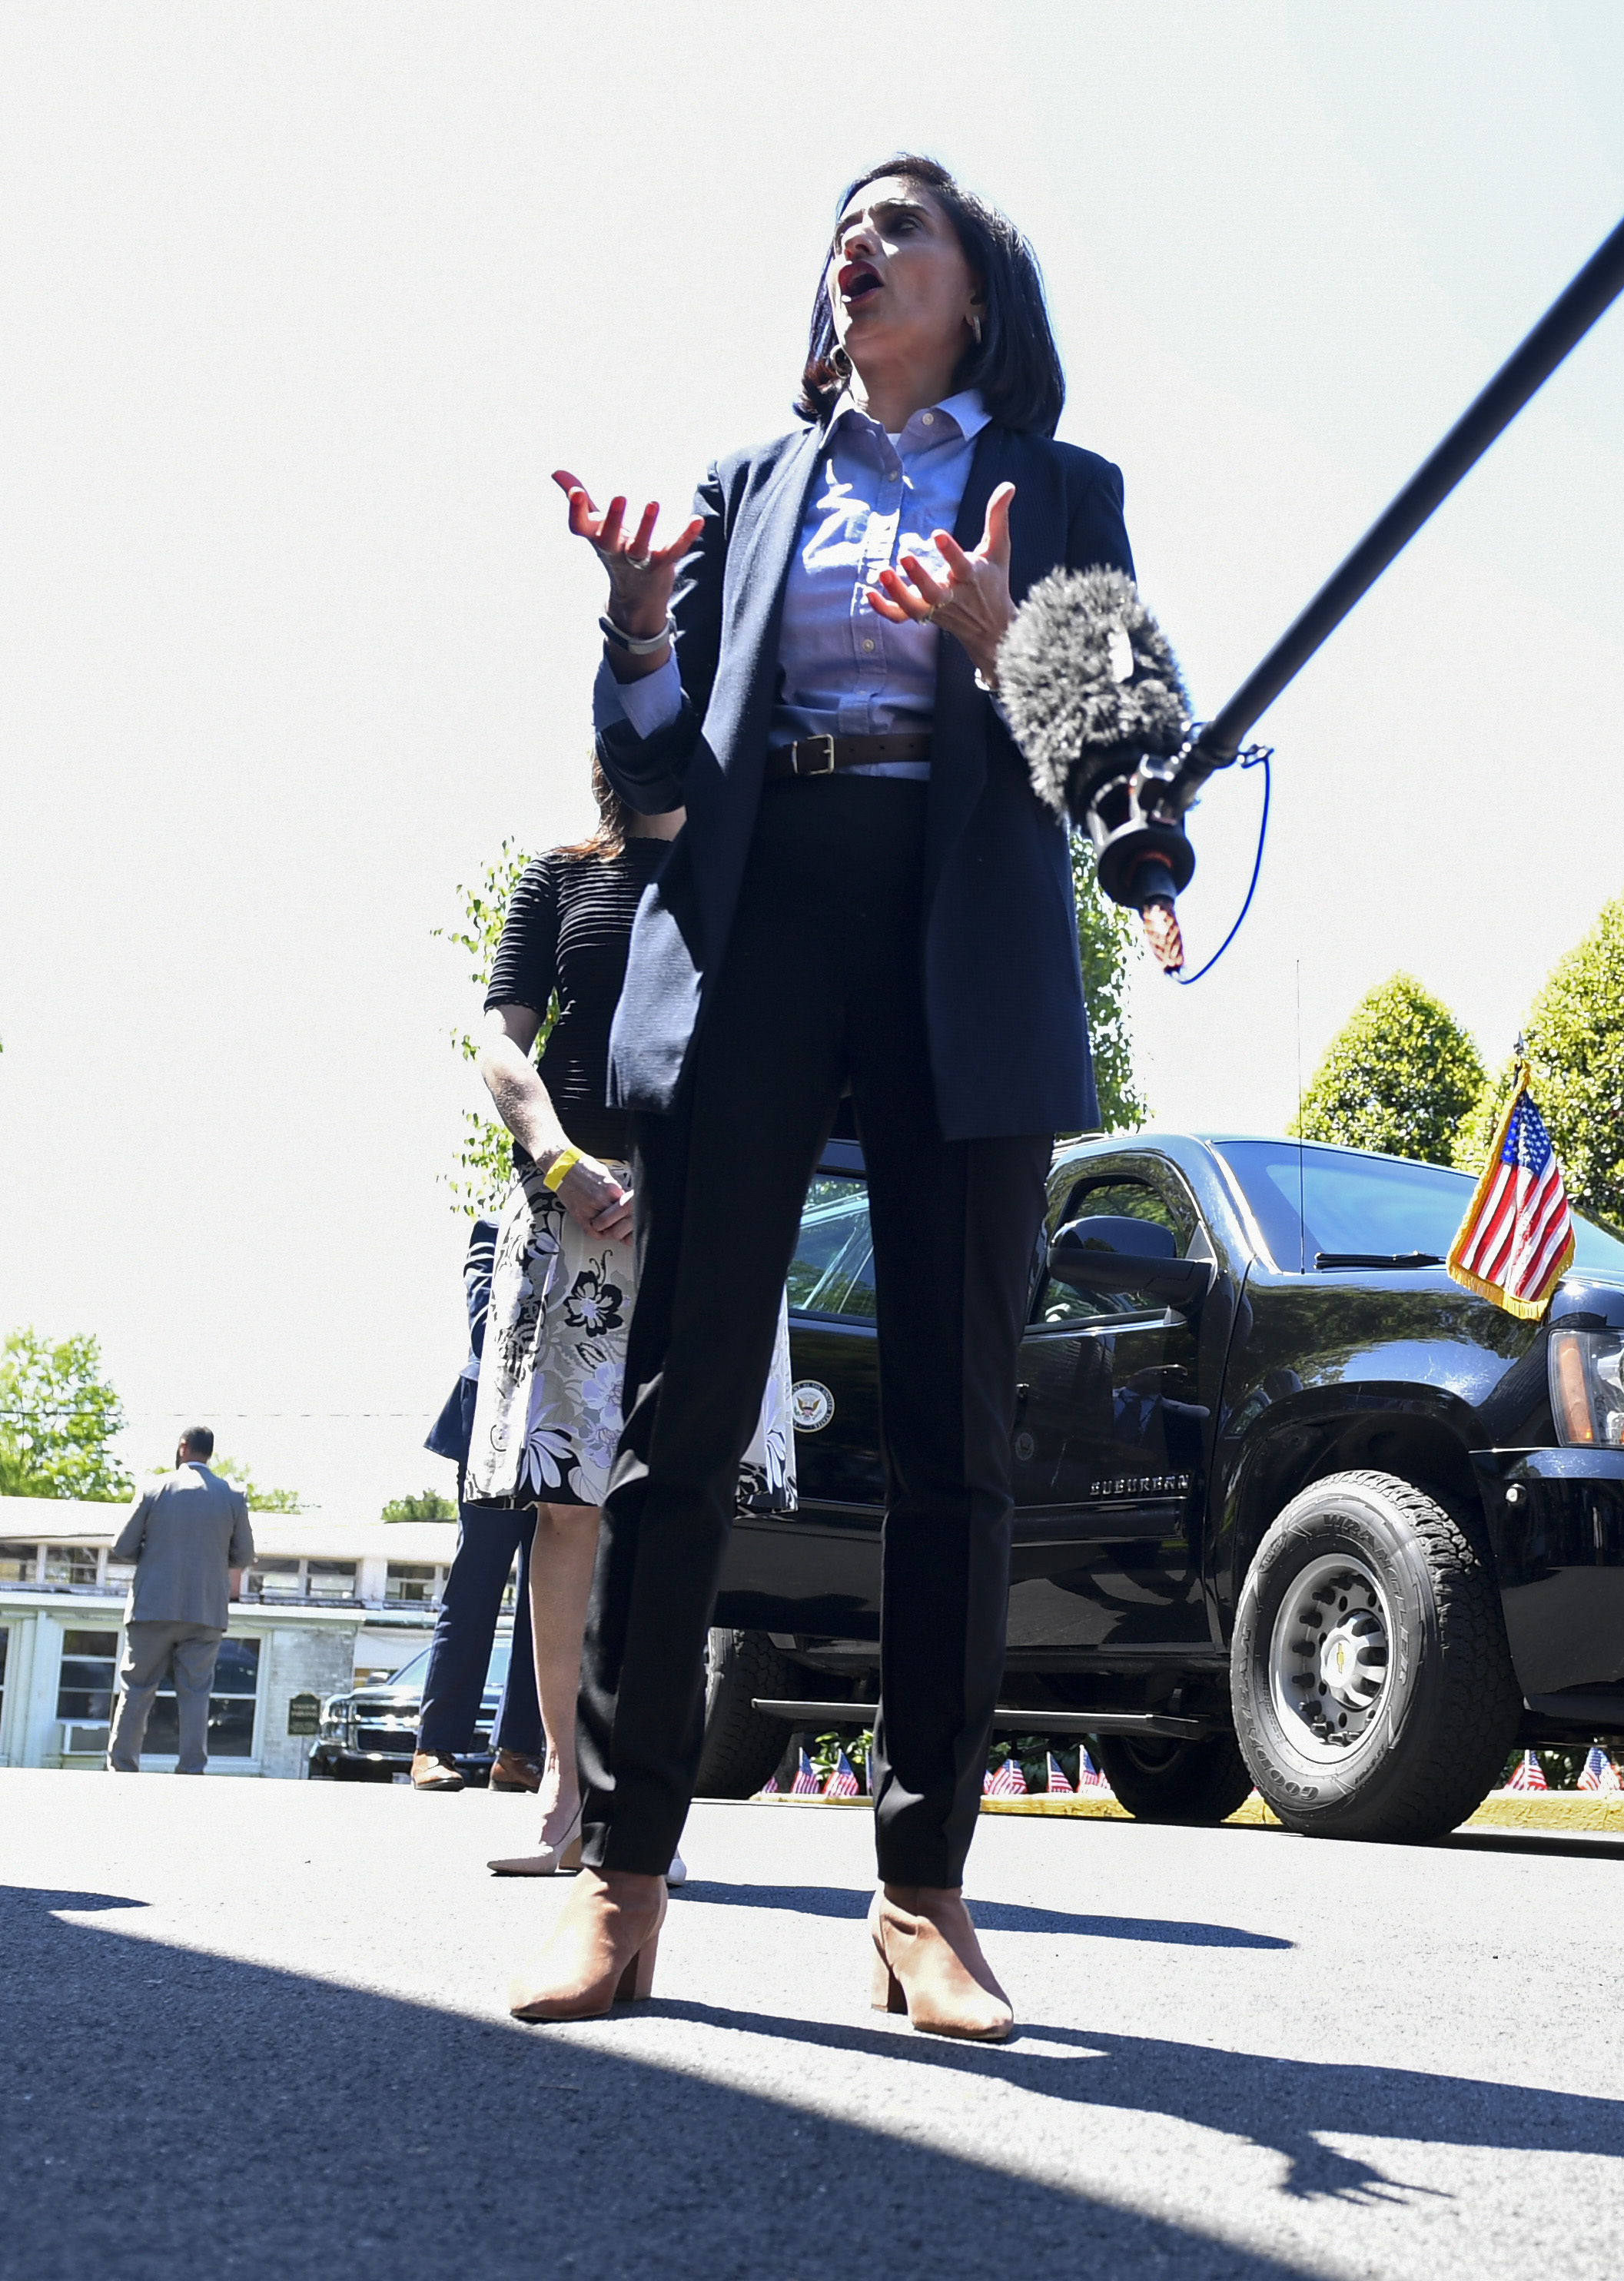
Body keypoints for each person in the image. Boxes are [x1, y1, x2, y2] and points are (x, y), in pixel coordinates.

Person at [509, 153, 1160, 2040]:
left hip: (955, 919)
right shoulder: (748, 485)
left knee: (959, 1430)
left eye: (905, 227)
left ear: (976, 293)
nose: (855, 247)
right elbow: (646, 780)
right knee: (682, 1402)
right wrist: (639, 623)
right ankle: (620, 1886)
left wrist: (998, 641)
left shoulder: (1065, 491)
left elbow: (1117, 761)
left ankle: (921, 1896)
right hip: (761, 911)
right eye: (843, 230)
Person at [466, 762, 793, 1878]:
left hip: (703, 1209)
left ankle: (638, 1803)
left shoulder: (749, 878)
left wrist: (687, 1171)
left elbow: (771, 1059)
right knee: (568, 1510)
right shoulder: (559, 880)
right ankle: (566, 1794)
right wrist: (557, 1160)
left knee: (674, 1501)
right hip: (567, 1210)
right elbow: (503, 1042)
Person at [412, 1215, 546, 1796]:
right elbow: (484, 1326)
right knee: (475, 1587)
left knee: (550, 1595)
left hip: (570, 1427)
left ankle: (519, 1751)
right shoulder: (498, 1229)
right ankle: (434, 1747)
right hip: (495, 1424)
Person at [105, 1429, 254, 1775]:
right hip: (205, 1610)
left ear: (182, 1448)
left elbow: (122, 1546)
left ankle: (122, 1766)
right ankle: (191, 1768)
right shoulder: (232, 1495)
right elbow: (244, 1554)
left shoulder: (154, 1488)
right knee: (196, 1692)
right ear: (209, 1454)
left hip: (152, 1608)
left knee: (137, 1688)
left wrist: (154, 1554)